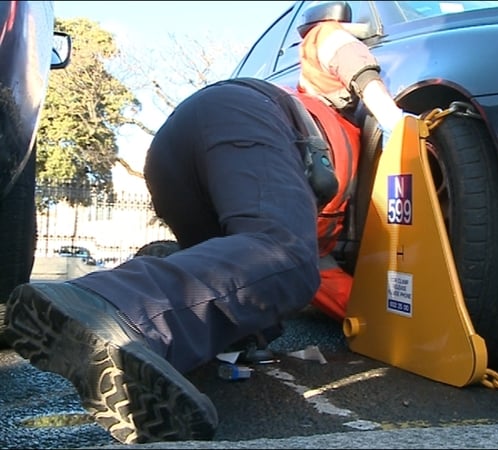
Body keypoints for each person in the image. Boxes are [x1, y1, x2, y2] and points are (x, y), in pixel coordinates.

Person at [3, 78, 323, 444]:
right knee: (286, 254)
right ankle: (118, 305)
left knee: (255, 300)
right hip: (241, 119)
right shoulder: (370, 125)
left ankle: (153, 320)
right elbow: (343, 51)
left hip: (176, 152)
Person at [295, 2, 407, 322]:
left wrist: (378, 322)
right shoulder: (324, 35)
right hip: (295, 238)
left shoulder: (338, 126)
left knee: (305, 263)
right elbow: (342, 50)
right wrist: (390, 115)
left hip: (308, 248)